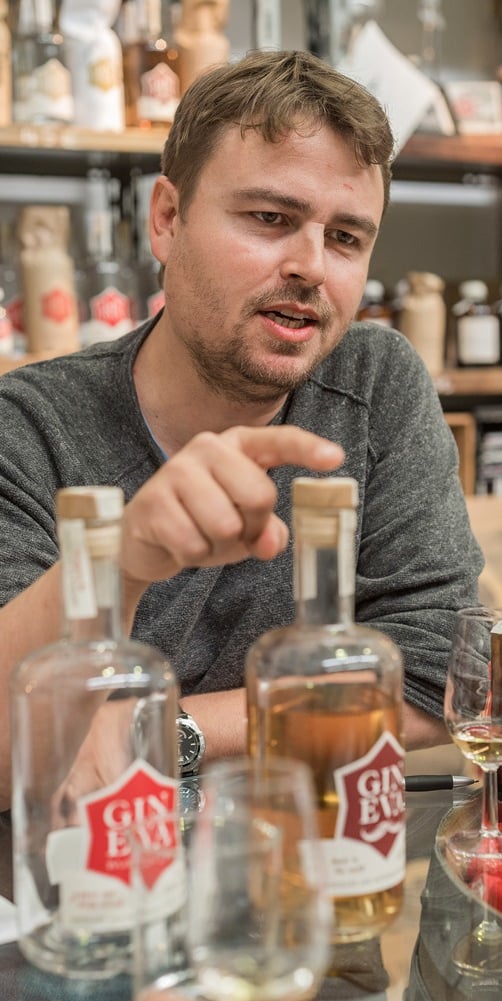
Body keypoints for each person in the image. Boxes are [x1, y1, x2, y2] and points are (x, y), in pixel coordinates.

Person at [0, 49, 482, 811]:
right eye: (270, 218)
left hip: (311, 871)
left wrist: (166, 729)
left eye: (347, 237)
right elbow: (10, 745)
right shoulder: (27, 426)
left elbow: (441, 674)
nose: (312, 266)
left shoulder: (375, 380)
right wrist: (121, 562)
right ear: (167, 219)